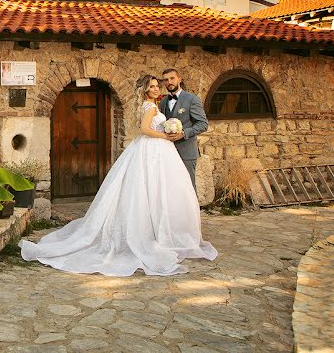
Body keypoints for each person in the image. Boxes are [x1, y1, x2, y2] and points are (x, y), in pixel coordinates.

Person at [19, 74, 217, 276]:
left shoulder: (155, 104)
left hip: (158, 151)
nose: (158, 89)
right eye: (153, 86)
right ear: (145, 90)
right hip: (153, 148)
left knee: (158, 190)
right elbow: (144, 129)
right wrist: (165, 135)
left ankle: (159, 231)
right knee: (148, 189)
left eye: (158, 86)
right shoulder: (150, 107)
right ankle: (149, 235)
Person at [159, 68, 209, 191]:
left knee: (188, 188)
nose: (169, 82)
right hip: (168, 152)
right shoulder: (163, 102)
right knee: (172, 189)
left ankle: (193, 210)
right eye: (166, 80)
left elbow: (203, 124)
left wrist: (183, 133)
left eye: (172, 78)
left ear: (179, 79)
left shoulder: (192, 99)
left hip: (186, 151)